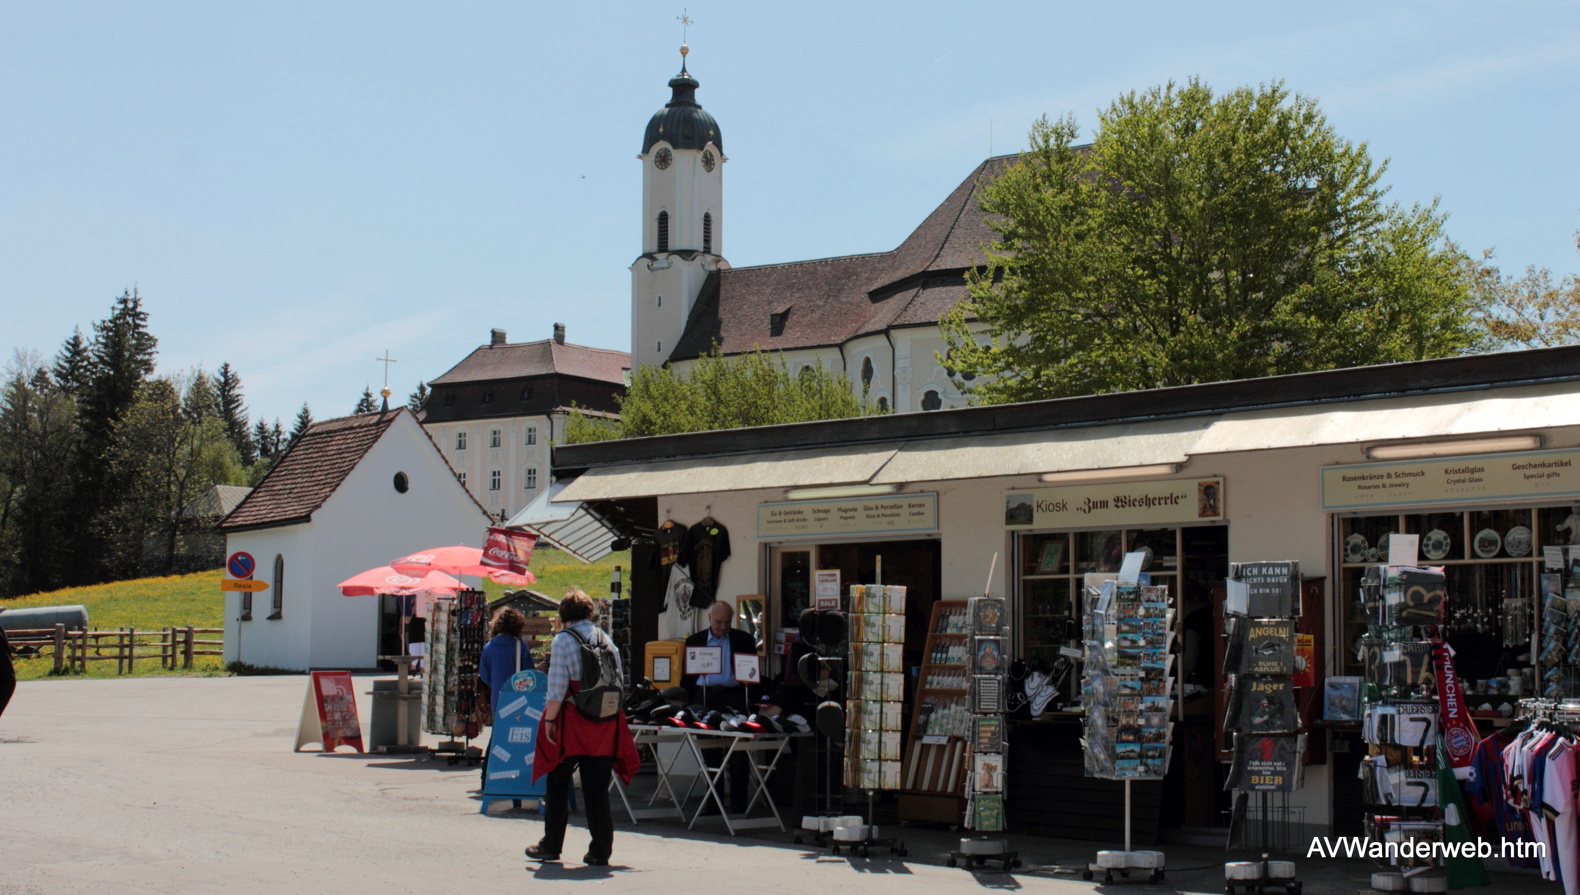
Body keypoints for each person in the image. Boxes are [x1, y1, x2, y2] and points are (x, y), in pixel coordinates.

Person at [527, 590, 638, 867]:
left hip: (573, 720)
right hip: (603, 720)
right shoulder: (606, 639)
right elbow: (619, 682)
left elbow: (556, 690)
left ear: (563, 616)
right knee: (597, 789)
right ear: (590, 613)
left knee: (557, 782)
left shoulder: (563, 640)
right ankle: (600, 851)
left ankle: (551, 845)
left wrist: (549, 721)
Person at [682, 600, 760, 812]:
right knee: (710, 752)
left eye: (726, 622)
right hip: (705, 697)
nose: (722, 627)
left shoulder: (743, 640)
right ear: (709, 619)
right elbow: (687, 678)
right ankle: (713, 803)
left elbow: (753, 673)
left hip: (734, 696)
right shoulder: (695, 641)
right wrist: (686, 706)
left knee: (739, 750)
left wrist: (751, 701)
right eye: (718, 622)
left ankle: (738, 805)